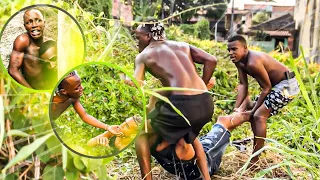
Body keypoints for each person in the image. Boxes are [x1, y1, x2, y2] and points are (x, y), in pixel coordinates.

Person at [127, 21, 217, 180]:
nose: (136, 42)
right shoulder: (183, 45)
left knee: (141, 133)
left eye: (138, 38)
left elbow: (137, 84)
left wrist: (122, 79)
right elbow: (211, 60)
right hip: (206, 103)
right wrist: (202, 85)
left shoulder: (143, 55)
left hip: (183, 106)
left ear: (148, 36)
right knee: (185, 134)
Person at [227, 35, 300, 164]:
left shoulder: (253, 62)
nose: (231, 53)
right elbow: (243, 85)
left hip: (288, 85)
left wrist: (253, 111)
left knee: (259, 116)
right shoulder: (239, 62)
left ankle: (255, 160)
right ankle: (258, 148)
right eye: (229, 50)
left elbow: (266, 88)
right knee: (253, 112)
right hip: (276, 87)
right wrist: (236, 109)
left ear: (245, 48)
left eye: (234, 49)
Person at [136, 112, 250, 180]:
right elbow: (146, 174)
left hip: (207, 157)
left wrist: (206, 178)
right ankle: (242, 110)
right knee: (221, 127)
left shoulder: (176, 130)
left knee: (223, 123)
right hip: (196, 153)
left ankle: (251, 114)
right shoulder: (143, 140)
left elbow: (199, 150)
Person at [51, 71, 121, 136]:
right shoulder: (49, 101)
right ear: (63, 91)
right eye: (77, 88)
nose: (82, 88)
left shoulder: (73, 98)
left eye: (80, 84)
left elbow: (85, 116)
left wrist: (107, 127)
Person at [8, 8, 50, 89]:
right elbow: (13, 70)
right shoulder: (23, 41)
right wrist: (30, 91)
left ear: (44, 23)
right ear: (25, 26)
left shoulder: (49, 43)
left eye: (38, 20)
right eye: (29, 22)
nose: (34, 25)